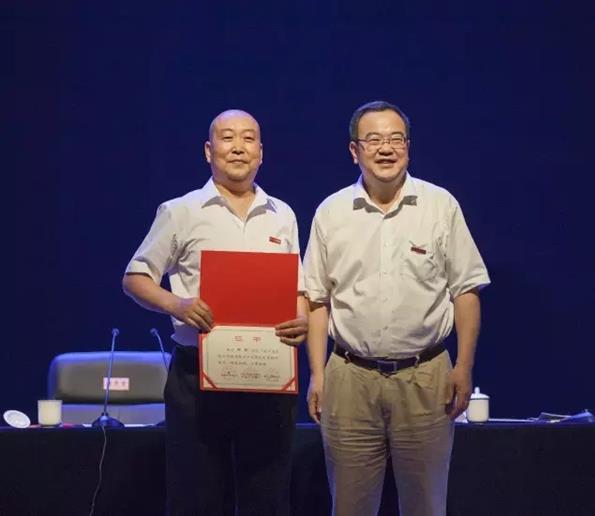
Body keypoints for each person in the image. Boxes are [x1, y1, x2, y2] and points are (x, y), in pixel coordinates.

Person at [303, 100, 490, 516]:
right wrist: (317, 373)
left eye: (396, 139)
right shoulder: (331, 213)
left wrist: (464, 366)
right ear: (354, 151)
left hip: (426, 377)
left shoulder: (440, 205)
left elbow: (466, 290)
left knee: (426, 505)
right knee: (349, 507)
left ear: (408, 146)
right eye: (373, 140)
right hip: (349, 378)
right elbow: (316, 299)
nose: (385, 148)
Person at [122, 109, 308, 516]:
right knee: (196, 497)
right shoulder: (181, 210)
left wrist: (301, 319)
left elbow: (297, 288)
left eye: (248, 138)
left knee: (268, 497)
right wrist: (177, 304)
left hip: (268, 374)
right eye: (227, 138)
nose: (238, 147)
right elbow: (135, 277)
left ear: (261, 152)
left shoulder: (283, 214)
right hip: (198, 377)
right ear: (209, 151)